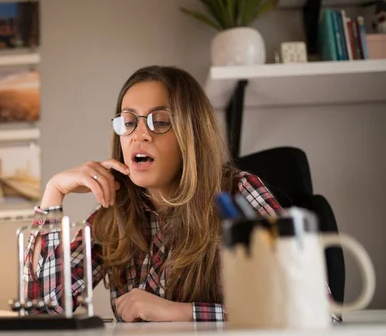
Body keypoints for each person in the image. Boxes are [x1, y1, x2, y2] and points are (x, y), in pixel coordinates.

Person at [22, 65, 283, 322]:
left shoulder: (239, 193)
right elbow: (40, 311)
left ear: (192, 133)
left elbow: (309, 308)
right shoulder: (114, 213)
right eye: (128, 123)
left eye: (159, 122)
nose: (139, 135)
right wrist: (54, 191)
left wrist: (183, 313)